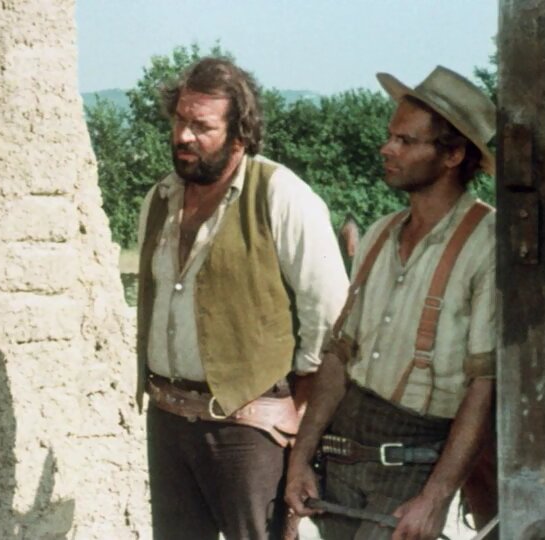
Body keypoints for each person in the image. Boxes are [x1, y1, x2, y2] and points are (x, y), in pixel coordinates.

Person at [134, 57, 349, 539]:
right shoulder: (159, 200)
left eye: (202, 126)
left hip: (250, 429)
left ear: (240, 135)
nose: (183, 136)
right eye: (179, 120)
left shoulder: (282, 195)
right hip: (168, 421)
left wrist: (298, 410)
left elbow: (331, 316)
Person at [284, 66, 497, 540]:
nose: (386, 148)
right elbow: (338, 356)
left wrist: (435, 498)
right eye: (390, 136)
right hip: (343, 452)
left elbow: (484, 385)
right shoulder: (380, 234)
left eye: (405, 140)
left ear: (453, 155)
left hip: (414, 460)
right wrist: (301, 458)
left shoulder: (487, 243)